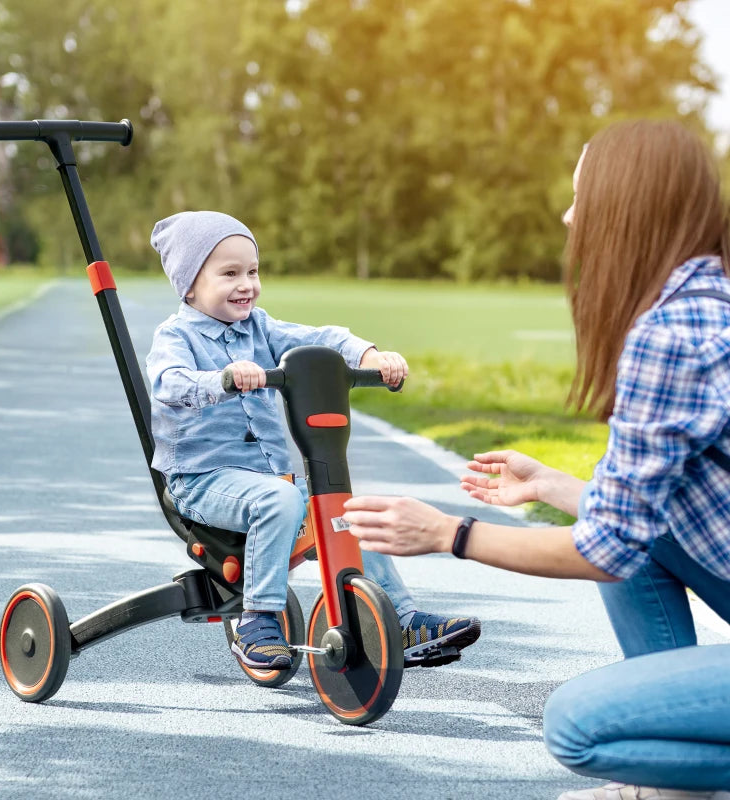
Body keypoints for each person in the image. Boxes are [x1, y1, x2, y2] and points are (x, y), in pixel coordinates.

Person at [342, 120, 730, 799]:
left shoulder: (670, 335)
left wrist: (448, 535)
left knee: (579, 728)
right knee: (634, 536)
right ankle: (674, 788)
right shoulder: (706, 301)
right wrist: (553, 484)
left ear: (627, 208)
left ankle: (672, 777)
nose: (568, 216)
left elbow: (604, 550)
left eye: (582, 197)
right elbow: (642, 517)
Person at [145, 210, 481, 671]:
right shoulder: (176, 337)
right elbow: (169, 382)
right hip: (201, 482)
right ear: (189, 286)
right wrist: (220, 379)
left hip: (269, 481)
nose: (246, 284)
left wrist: (369, 355)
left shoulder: (259, 329)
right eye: (229, 274)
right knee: (280, 499)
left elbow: (319, 339)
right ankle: (257, 619)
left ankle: (400, 621)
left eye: (252, 271)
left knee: (346, 509)